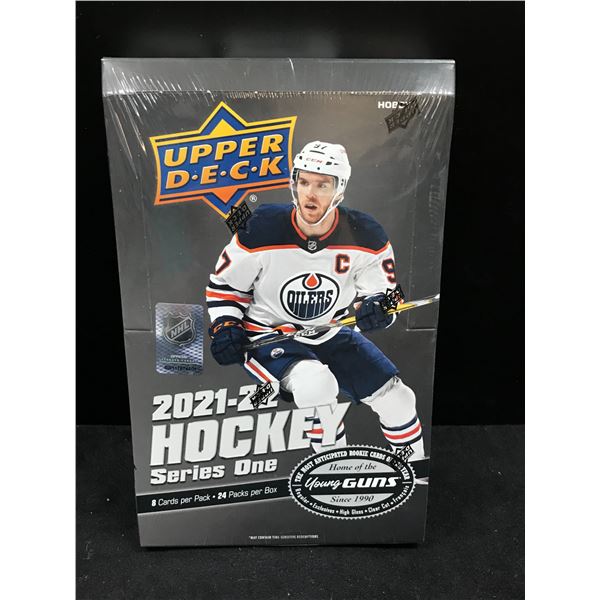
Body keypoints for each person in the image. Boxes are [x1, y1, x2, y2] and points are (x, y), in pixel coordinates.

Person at [205, 141, 424, 459]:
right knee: (316, 386)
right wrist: (225, 326)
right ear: (293, 183)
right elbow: (224, 286)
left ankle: (414, 473)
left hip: (329, 331)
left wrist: (378, 308)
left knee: (399, 399)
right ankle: (333, 469)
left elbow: (390, 294)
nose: (310, 194)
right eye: (304, 182)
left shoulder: (365, 233)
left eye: (323, 185)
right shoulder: (260, 227)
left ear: (340, 189)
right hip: (267, 334)